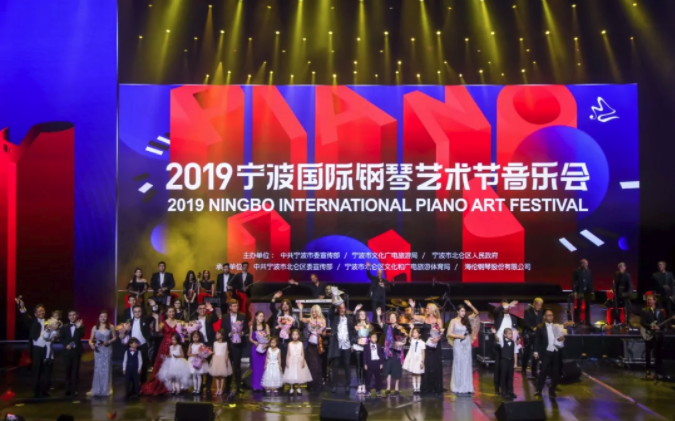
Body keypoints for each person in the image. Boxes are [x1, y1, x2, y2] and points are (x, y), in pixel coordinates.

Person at [15, 298, 53, 398]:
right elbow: (25, 316)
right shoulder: (32, 322)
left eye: (43, 310)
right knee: (37, 370)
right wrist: (22, 307)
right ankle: (36, 391)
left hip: (46, 349)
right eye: (39, 311)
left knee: (46, 371)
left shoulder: (48, 322)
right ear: (35, 314)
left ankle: (45, 390)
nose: (41, 312)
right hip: (36, 349)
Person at [140, 307, 181, 395]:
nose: (172, 313)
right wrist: (157, 319)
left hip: (175, 345)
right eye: (170, 311)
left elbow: (181, 333)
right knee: (163, 365)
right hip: (165, 345)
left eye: (173, 311)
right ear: (166, 313)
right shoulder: (163, 322)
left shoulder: (178, 322)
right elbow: (157, 330)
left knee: (175, 365)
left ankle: (174, 386)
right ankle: (165, 385)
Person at [408, 299, 443, 396]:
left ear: (433, 309)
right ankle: (426, 386)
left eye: (428, 308)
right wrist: (412, 307)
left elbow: (441, 332)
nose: (426, 310)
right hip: (425, 345)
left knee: (434, 365)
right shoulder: (424, 318)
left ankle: (435, 387)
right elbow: (412, 316)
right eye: (426, 308)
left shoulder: (438, 320)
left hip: (434, 345)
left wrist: (438, 338)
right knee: (426, 364)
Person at [448, 302, 479, 396]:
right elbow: (449, 333)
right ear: (458, 311)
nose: (463, 313)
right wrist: (459, 336)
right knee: (459, 363)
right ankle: (458, 386)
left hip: (466, 344)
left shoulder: (467, 319)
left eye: (464, 311)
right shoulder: (453, 321)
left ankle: (466, 386)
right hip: (458, 343)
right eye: (461, 311)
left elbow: (476, 313)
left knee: (466, 363)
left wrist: (470, 305)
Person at [534, 309, 565, 398]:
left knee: (555, 373)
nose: (550, 317)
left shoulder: (557, 326)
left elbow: (560, 338)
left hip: (556, 351)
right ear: (544, 317)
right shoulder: (540, 327)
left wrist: (561, 339)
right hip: (546, 352)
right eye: (548, 315)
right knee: (543, 371)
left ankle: (552, 390)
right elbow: (537, 340)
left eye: (551, 315)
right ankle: (539, 390)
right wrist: (535, 351)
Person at [119, 305, 154, 383]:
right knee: (132, 365)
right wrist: (123, 332)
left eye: (139, 311)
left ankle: (143, 384)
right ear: (133, 313)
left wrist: (154, 306)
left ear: (142, 312)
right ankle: (133, 385)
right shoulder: (129, 322)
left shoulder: (145, 320)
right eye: (135, 312)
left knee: (143, 365)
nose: (137, 313)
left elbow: (152, 316)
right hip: (132, 346)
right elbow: (122, 335)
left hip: (143, 345)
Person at [297, 302, 326, 392]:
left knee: (317, 365)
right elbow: (301, 319)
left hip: (319, 344)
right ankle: (311, 384)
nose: (313, 313)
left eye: (315, 311)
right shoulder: (310, 319)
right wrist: (301, 309)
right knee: (311, 364)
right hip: (310, 345)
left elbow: (325, 333)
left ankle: (318, 384)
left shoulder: (323, 320)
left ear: (318, 311)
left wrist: (321, 332)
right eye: (312, 311)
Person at [327, 300, 355, 394]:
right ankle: (334, 385)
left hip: (347, 345)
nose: (342, 310)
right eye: (340, 308)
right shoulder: (334, 318)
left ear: (345, 309)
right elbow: (330, 313)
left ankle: (347, 385)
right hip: (337, 345)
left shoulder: (349, 318)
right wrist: (333, 304)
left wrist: (352, 344)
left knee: (347, 365)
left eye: (343, 308)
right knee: (335, 366)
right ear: (338, 309)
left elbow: (352, 332)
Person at [222, 299, 249, 395]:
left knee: (237, 365)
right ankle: (227, 386)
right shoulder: (225, 317)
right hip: (228, 343)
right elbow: (223, 329)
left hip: (238, 344)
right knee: (228, 365)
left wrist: (242, 333)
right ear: (230, 307)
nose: (236, 307)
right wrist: (229, 334)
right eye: (234, 306)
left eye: (237, 306)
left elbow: (247, 329)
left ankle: (238, 386)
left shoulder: (242, 316)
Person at [493, 299, 519, 395]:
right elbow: (496, 310)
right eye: (504, 306)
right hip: (499, 345)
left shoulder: (514, 319)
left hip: (509, 346)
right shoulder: (498, 317)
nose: (506, 308)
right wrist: (506, 305)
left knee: (508, 370)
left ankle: (509, 389)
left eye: (507, 306)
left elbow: (515, 331)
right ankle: (497, 388)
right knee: (498, 368)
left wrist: (518, 338)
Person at [192, 302, 220, 395]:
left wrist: (211, 309)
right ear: (197, 310)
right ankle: (199, 387)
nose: (202, 310)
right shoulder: (194, 319)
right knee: (198, 365)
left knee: (208, 365)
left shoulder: (209, 317)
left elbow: (216, 319)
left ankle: (208, 387)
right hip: (198, 344)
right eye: (200, 308)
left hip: (208, 344)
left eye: (204, 308)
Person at [88, 310, 116, 397]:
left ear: (107, 318)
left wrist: (109, 341)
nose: (103, 318)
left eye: (105, 316)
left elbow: (115, 337)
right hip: (98, 350)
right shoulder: (94, 328)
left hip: (107, 350)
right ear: (98, 318)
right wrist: (91, 344)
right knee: (98, 369)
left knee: (106, 368)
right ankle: (97, 388)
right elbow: (90, 340)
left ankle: (106, 388)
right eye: (101, 316)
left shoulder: (111, 327)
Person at [379, 310, 407, 396]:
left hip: (397, 352)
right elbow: (380, 323)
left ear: (396, 318)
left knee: (396, 370)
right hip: (388, 352)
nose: (392, 318)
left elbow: (405, 338)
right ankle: (388, 388)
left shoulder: (400, 327)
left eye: (393, 317)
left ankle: (396, 388)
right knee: (388, 370)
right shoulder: (387, 327)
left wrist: (402, 343)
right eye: (390, 317)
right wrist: (378, 315)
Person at [641, 295, 668, 380]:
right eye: (648, 300)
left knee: (658, 352)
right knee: (648, 352)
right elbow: (642, 322)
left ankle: (658, 370)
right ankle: (648, 370)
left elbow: (662, 323)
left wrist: (659, 327)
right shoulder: (644, 310)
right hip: (649, 334)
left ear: (654, 301)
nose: (649, 301)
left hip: (657, 335)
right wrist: (650, 326)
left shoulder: (660, 311)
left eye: (651, 300)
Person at [269, 292, 300, 365]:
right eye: (283, 304)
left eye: (286, 304)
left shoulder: (294, 316)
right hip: (279, 340)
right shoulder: (278, 314)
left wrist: (291, 331)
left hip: (289, 341)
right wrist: (274, 297)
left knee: (288, 360)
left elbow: (297, 328)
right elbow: (272, 308)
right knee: (279, 360)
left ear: (289, 306)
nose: (285, 306)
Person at [60, 310, 84, 397]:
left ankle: (74, 389)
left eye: (74, 315)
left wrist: (78, 327)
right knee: (67, 371)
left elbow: (81, 335)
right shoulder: (65, 326)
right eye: (70, 315)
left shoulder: (81, 326)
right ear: (68, 317)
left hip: (76, 352)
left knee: (75, 371)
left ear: (77, 315)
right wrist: (65, 345)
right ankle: (67, 389)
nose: (72, 317)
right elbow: (61, 338)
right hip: (67, 352)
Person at [283, 329, 313, 395]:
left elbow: (302, 353)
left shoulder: (300, 343)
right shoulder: (290, 344)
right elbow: (288, 353)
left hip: (299, 360)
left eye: (296, 334)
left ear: (299, 336)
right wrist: (286, 361)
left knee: (299, 375)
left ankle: (299, 389)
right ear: (291, 336)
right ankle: (291, 388)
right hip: (291, 360)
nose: (295, 336)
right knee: (291, 374)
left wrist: (303, 361)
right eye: (293, 334)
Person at [351, 304, 371, 395]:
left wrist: (368, 340)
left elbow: (371, 336)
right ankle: (359, 384)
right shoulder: (356, 325)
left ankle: (364, 384)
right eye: (360, 314)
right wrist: (355, 310)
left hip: (366, 347)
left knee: (365, 366)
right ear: (358, 316)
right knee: (358, 366)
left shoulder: (368, 325)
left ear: (365, 316)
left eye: (364, 314)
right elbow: (353, 335)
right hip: (358, 347)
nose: (362, 315)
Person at [523, 298, 544, 380]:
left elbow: (541, 322)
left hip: (537, 335)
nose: (539, 307)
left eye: (540, 305)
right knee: (527, 352)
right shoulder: (527, 311)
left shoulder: (541, 312)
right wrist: (533, 328)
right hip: (529, 334)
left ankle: (534, 371)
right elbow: (526, 323)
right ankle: (524, 367)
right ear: (534, 304)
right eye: (538, 305)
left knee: (536, 352)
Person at [249, 311, 270, 392]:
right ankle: (256, 386)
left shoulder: (266, 326)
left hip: (264, 349)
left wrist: (266, 344)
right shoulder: (252, 327)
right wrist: (254, 342)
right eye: (260, 316)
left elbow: (269, 337)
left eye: (262, 316)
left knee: (263, 367)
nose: (262, 318)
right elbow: (250, 338)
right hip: (256, 349)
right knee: (255, 368)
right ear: (256, 317)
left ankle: (263, 385)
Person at [209, 329, 233, 395]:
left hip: (222, 359)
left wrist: (226, 360)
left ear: (222, 336)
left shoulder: (225, 343)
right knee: (217, 376)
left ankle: (221, 389)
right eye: (216, 334)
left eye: (218, 334)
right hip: (216, 359)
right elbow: (214, 352)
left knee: (222, 376)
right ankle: (218, 389)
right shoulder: (215, 343)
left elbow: (226, 352)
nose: (216, 335)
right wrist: (212, 359)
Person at [403, 327, 425, 394]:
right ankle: (415, 388)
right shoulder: (412, 340)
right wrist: (411, 328)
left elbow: (423, 352)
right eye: (413, 332)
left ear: (419, 334)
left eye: (415, 332)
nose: (414, 334)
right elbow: (410, 336)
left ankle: (418, 388)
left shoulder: (422, 342)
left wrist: (422, 361)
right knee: (413, 374)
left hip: (419, 360)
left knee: (418, 374)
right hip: (413, 359)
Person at [572, 259, 594, 326]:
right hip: (579, 291)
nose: (586, 265)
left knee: (588, 306)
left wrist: (592, 291)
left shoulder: (589, 271)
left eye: (587, 263)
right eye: (585, 264)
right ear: (581, 264)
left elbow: (590, 282)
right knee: (579, 306)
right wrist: (574, 291)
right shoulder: (576, 271)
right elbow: (573, 282)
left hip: (587, 291)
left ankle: (588, 321)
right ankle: (578, 321)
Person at [497, 328, 517, 400]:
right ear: (505, 335)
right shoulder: (502, 342)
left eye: (511, 333)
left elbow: (515, 353)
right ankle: (504, 391)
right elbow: (498, 339)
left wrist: (515, 363)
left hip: (511, 361)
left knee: (510, 377)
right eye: (509, 334)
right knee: (503, 376)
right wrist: (494, 333)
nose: (511, 335)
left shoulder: (513, 343)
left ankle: (510, 391)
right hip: (504, 361)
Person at [364, 332, 384, 397]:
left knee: (378, 377)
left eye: (376, 337)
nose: (375, 339)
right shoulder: (366, 346)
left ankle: (378, 390)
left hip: (377, 363)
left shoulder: (379, 345)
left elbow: (381, 355)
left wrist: (381, 363)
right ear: (369, 338)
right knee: (368, 377)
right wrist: (365, 364)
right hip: (370, 363)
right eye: (373, 337)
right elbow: (365, 356)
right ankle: (368, 390)